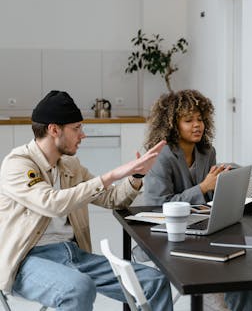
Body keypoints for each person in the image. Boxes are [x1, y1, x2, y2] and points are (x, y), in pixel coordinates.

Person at [0, 90, 171, 311]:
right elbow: (52, 203)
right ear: (54, 130)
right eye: (76, 128)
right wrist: (111, 176)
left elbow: (111, 199)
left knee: (154, 282)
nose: (83, 135)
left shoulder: (71, 166)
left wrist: (136, 177)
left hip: (74, 254)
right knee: (78, 288)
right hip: (27, 261)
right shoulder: (17, 164)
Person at [140, 89, 252, 311]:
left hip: (202, 230)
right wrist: (203, 187)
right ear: (172, 124)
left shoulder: (207, 151)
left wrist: (224, 181)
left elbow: (209, 197)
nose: (197, 125)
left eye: (200, 119)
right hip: (168, 236)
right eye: (188, 120)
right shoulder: (160, 157)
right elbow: (157, 206)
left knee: (246, 272)